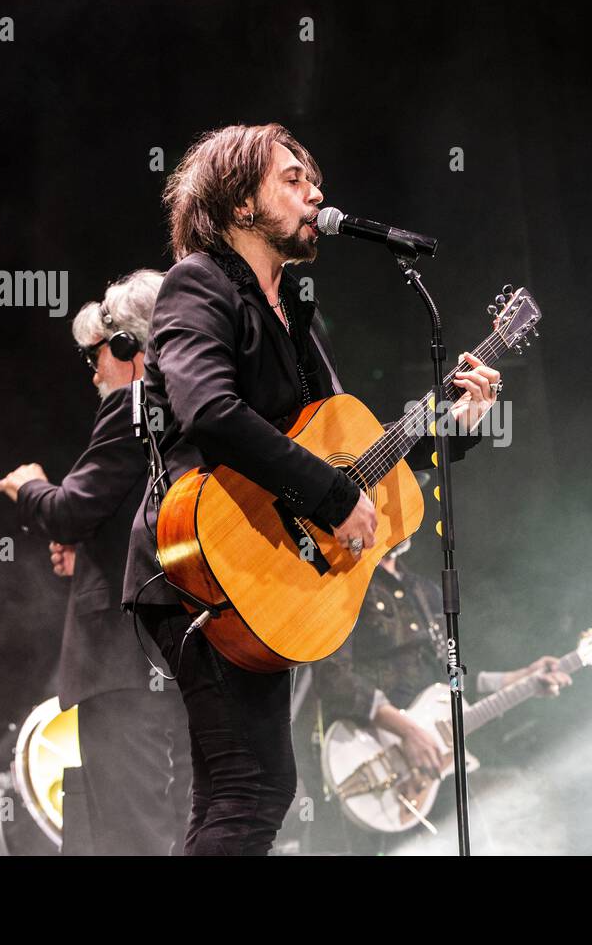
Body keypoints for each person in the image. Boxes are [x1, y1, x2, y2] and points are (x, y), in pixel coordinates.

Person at [122, 122, 503, 855]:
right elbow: (210, 410)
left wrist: (457, 426)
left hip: (259, 571)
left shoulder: (293, 308)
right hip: (202, 561)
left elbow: (353, 455)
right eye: (292, 178)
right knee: (250, 790)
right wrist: (329, 499)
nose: (315, 192)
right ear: (238, 203)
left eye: (312, 179)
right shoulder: (198, 284)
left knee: (245, 791)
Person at [0, 271, 190, 855]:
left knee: (128, 839)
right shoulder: (196, 406)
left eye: (96, 355)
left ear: (129, 348)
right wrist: (93, 551)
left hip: (122, 662)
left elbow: (73, 510)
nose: (93, 371)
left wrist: (31, 489)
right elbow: (147, 520)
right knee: (172, 826)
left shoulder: (133, 401)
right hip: (178, 652)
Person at [306, 535, 571, 853]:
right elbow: (332, 676)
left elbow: (452, 680)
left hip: (436, 767)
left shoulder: (427, 592)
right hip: (371, 762)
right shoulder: (342, 585)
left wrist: (521, 678)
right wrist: (406, 731)